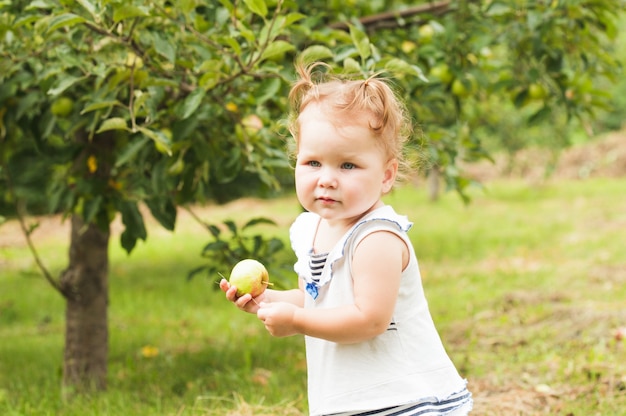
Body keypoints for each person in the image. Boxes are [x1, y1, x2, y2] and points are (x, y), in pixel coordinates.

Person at [220, 61, 472, 416]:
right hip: (354, 401)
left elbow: (369, 319)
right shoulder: (312, 229)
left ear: (386, 176)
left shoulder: (376, 238)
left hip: (404, 400)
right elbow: (319, 302)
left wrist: (295, 323)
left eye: (347, 166)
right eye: (312, 163)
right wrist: (266, 300)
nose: (326, 179)